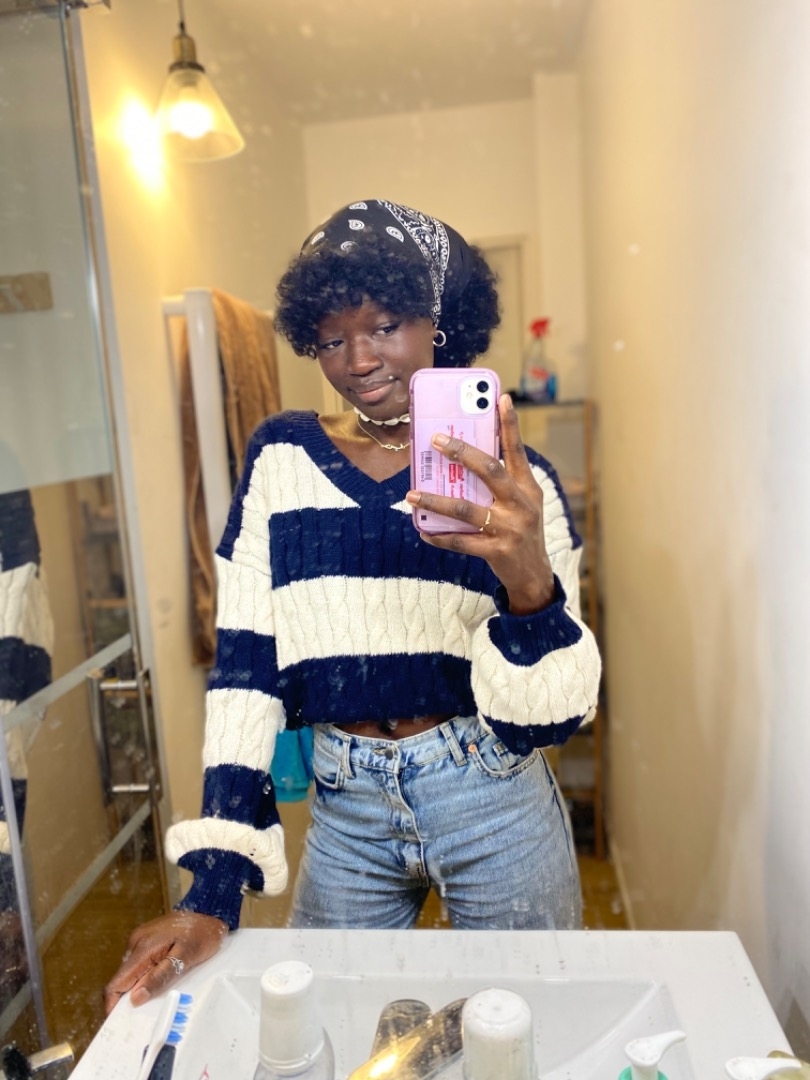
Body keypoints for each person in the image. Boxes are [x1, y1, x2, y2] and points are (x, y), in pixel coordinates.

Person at [104, 199, 601, 1013]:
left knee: (521, 1032)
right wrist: (213, 890)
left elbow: (554, 719)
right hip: (346, 807)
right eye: (331, 338)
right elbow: (246, 676)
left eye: (385, 326)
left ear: (441, 322)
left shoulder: (522, 484)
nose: (358, 359)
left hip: (492, 794)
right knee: (328, 1026)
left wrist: (529, 585)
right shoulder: (280, 460)